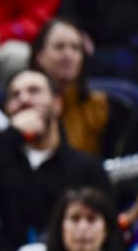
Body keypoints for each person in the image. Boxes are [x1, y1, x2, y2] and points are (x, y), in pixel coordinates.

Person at [0, 69, 112, 251]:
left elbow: (109, 234)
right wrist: (12, 134)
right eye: (15, 95)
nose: (24, 99)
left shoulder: (88, 167)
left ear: (57, 104)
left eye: (34, 91)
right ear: (7, 110)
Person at [30, 18, 115, 156]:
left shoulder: (99, 104)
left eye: (75, 48)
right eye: (59, 47)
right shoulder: (24, 101)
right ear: (39, 56)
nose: (69, 55)